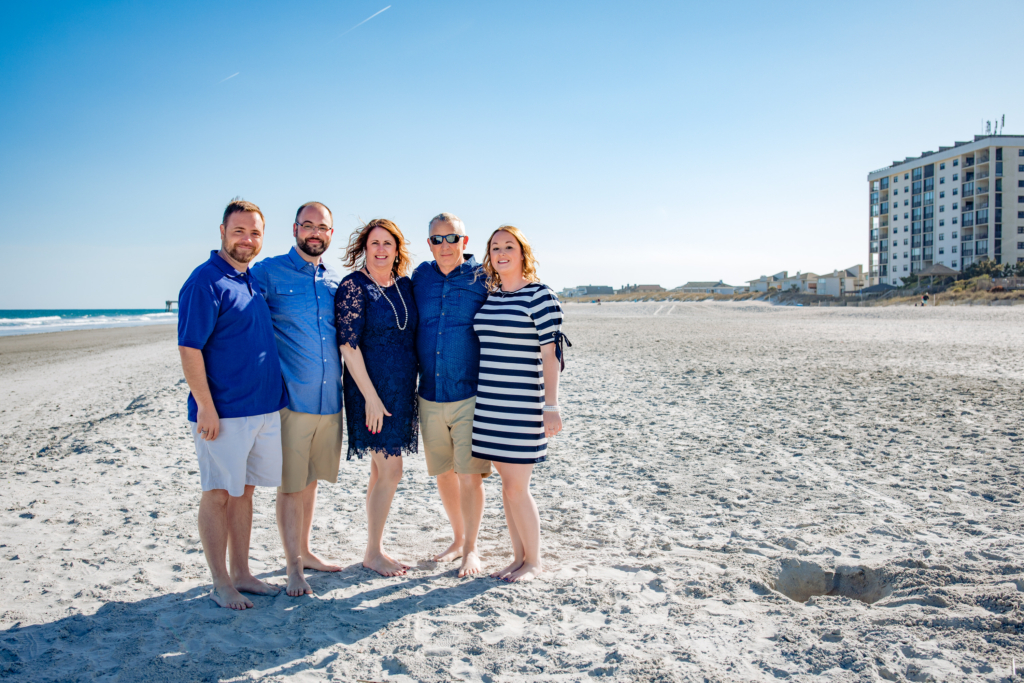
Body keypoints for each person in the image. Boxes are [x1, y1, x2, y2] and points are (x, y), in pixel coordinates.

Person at [177, 199, 287, 609]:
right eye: (239, 231)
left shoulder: (250, 279)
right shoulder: (204, 281)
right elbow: (189, 348)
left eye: (255, 232)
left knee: (245, 492)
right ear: (222, 232)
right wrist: (205, 406)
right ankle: (220, 582)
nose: (247, 239)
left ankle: (242, 573)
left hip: (263, 410)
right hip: (223, 413)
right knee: (218, 493)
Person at [250, 201, 344, 597]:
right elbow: (240, 316)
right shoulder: (268, 272)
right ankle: (293, 568)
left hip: (331, 401)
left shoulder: (335, 279)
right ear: (294, 229)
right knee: (291, 485)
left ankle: (305, 552)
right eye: (307, 225)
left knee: (311, 481)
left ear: (330, 234)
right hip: (292, 401)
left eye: (322, 227)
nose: (314, 233)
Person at [471, 225, 566, 583]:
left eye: (508, 246)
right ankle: (518, 557)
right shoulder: (492, 297)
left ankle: (534, 561)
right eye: (495, 247)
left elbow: (551, 353)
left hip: (522, 404)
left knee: (517, 488)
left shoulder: (540, 295)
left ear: (523, 253)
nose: (501, 253)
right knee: (507, 486)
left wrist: (551, 405)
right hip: (489, 405)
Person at [334, 219, 419, 576]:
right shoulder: (353, 286)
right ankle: (373, 552)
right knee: (392, 470)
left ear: (397, 249)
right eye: (374, 243)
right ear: (364, 249)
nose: (381, 249)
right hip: (369, 391)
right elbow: (348, 346)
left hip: (401, 391)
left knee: (379, 470)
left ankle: (373, 546)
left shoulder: (405, 286)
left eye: (388, 243)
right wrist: (370, 397)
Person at [411, 213, 490, 577]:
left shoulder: (482, 277)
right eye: (437, 239)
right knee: (444, 474)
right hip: (428, 393)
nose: (445, 245)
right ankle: (458, 539)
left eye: (452, 238)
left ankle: (472, 549)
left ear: (464, 241)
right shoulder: (420, 277)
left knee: (469, 475)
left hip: (469, 393)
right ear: (429, 243)